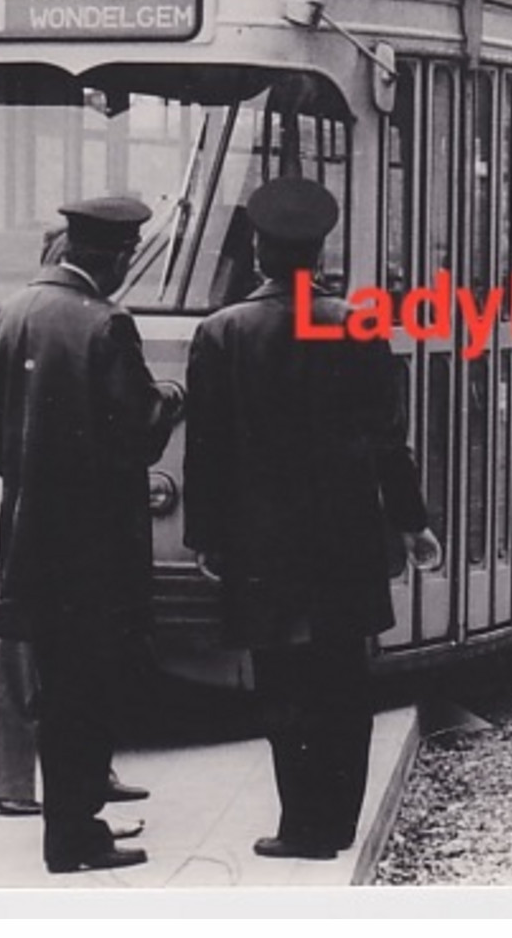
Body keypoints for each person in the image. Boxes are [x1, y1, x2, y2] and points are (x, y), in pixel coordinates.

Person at [183, 177, 441, 861]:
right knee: (344, 681)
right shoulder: (357, 326)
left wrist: (204, 536)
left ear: (261, 255)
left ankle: (297, 824)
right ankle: (336, 824)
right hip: (346, 537)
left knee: (282, 682)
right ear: (318, 253)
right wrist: (412, 523)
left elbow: (204, 450)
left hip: (260, 543)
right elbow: (391, 441)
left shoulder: (220, 333)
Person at [0, 196, 184, 875]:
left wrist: (26, 480)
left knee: (58, 688)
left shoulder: (9, 314)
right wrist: (171, 403)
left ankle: (72, 831)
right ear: (112, 258)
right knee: (88, 692)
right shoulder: (108, 324)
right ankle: (77, 836)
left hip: (30, 540)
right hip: (96, 549)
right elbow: (138, 434)